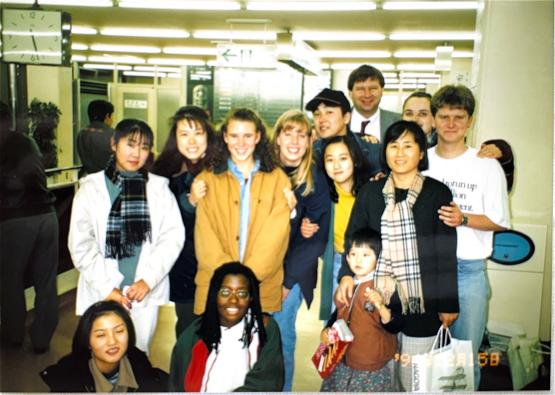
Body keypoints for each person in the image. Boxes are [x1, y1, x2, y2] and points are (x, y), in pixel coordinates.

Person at [336, 120, 459, 391]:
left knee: (414, 379)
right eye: (393, 145)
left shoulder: (437, 193)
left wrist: (449, 302)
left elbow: (446, 252)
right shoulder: (371, 192)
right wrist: (345, 275)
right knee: (383, 375)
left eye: (408, 145)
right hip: (378, 303)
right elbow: (354, 237)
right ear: (385, 151)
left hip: (422, 303)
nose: (400, 153)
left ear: (422, 152)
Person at [68, 118, 184, 353]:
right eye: (130, 144)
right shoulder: (90, 188)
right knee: (101, 357)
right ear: (114, 144)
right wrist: (107, 287)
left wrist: (148, 280)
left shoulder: (159, 188)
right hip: (102, 290)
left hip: (141, 292)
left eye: (144, 147)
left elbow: (172, 238)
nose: (136, 153)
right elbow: (81, 244)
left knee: (138, 355)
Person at [423, 85, 510, 389]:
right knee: (421, 356)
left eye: (458, 117)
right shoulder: (421, 161)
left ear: (470, 120)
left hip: (469, 272)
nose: (450, 123)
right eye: (444, 116)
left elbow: (500, 221)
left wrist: (463, 219)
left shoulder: (487, 166)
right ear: (433, 119)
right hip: (426, 270)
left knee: (464, 359)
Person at [193, 108, 291, 316]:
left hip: (261, 289)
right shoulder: (207, 178)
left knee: (256, 347)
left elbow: (275, 236)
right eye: (234, 136)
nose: (241, 143)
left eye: (247, 136)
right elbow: (205, 236)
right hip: (215, 286)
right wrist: (229, 280)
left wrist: (247, 279)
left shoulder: (277, 178)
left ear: (258, 137)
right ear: (225, 138)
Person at [270, 109, 331, 391]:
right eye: (288, 132)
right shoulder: (262, 170)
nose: (295, 140)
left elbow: (316, 240)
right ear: (277, 137)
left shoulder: (316, 179)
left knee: (281, 338)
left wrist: (286, 282)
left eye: (302, 134)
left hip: (291, 274)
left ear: (310, 140)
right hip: (256, 268)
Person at [169, 262, 284, 392]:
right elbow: (177, 386)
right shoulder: (193, 336)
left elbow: (268, 382)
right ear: (215, 295)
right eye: (225, 292)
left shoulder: (264, 329)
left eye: (241, 294)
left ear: (251, 298)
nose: (233, 300)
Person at [152, 106, 216, 338]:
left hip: (219, 266)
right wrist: (189, 202)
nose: (192, 141)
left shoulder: (222, 170)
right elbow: (161, 225)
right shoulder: (161, 174)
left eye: (198, 133)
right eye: (184, 134)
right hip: (185, 269)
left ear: (208, 136)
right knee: (188, 331)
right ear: (175, 138)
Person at [0, 101, 59, 353]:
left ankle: (14, 335)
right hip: (47, 215)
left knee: (10, 280)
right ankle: (42, 339)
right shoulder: (26, 141)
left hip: (15, 219)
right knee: (46, 281)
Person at [321, 228, 402, 392]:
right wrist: (327, 329)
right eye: (353, 254)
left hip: (371, 368)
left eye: (366, 255)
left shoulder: (385, 287)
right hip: (340, 361)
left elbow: (396, 325)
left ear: (378, 259)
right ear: (347, 258)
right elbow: (338, 314)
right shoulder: (346, 284)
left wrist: (381, 307)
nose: (358, 260)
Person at [40, 301, 168, 392]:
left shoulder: (142, 367)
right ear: (87, 340)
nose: (112, 341)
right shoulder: (68, 381)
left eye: (119, 331)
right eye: (101, 335)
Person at [402, 91, 515, 191]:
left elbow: (502, 189)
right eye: (408, 113)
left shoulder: (454, 150)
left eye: (423, 114)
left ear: (433, 119)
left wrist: (504, 151)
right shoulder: (395, 155)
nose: (414, 119)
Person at [319, 135, 370, 321]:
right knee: (337, 320)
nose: (336, 165)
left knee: (367, 323)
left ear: (355, 160)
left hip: (371, 263)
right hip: (339, 260)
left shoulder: (370, 191)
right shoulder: (322, 192)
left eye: (343, 158)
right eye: (329, 160)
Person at [306, 88, 383, 178]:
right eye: (317, 114)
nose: (322, 119)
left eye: (329, 112)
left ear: (346, 117)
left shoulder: (373, 152)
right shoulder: (311, 156)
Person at [348, 64, 401, 142]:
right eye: (360, 89)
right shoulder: (337, 122)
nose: (367, 95)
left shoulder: (399, 122)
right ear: (350, 93)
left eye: (373, 88)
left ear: (382, 91)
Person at [77, 100, 115, 177]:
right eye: (112, 116)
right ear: (107, 116)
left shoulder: (81, 133)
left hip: (88, 178)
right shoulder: (113, 135)